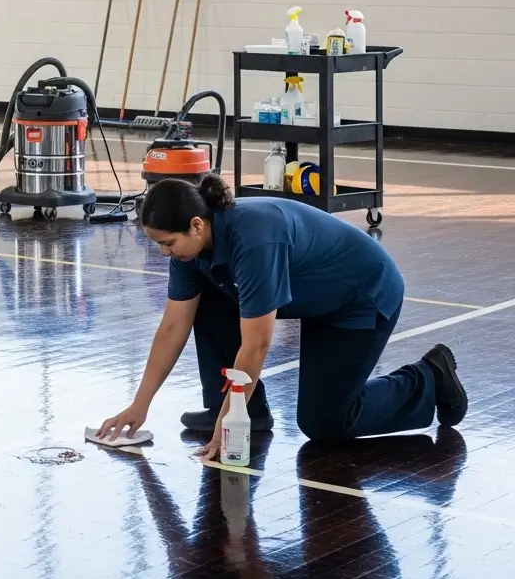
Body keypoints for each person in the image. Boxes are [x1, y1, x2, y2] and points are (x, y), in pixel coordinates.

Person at [96, 174, 467, 460]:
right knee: (205, 299)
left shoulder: (255, 239)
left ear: (196, 225)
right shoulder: (190, 251)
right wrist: (139, 405)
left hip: (361, 297)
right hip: (314, 299)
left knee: (324, 422)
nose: (163, 253)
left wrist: (228, 428)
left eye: (167, 243)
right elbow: (173, 327)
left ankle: (431, 378)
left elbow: (257, 344)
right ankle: (248, 413)